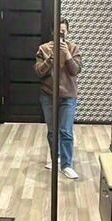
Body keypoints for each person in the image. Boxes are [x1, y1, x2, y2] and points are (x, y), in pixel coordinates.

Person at [34, 18, 82, 179]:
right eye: (58, 31)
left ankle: (66, 165)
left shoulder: (73, 48)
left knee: (66, 131)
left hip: (68, 96)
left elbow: (75, 71)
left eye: (63, 31)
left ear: (67, 32)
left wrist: (67, 55)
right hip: (48, 95)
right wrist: (50, 58)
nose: (61, 33)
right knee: (52, 131)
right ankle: (56, 159)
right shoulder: (43, 49)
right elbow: (39, 72)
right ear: (53, 32)